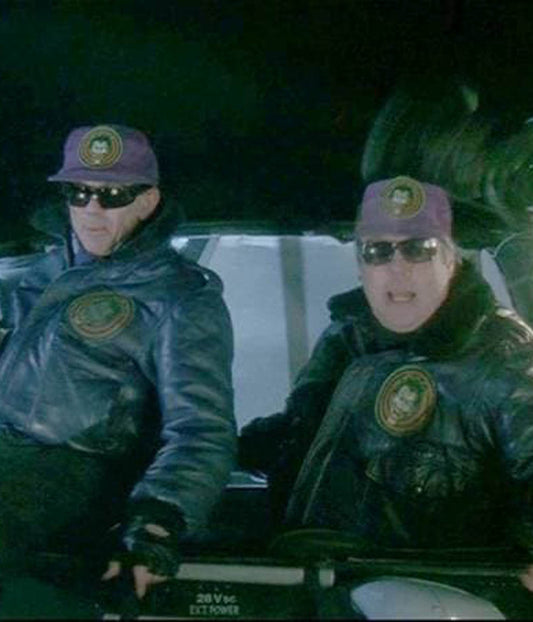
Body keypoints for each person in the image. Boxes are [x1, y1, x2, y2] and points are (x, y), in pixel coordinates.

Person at [239, 175, 533, 592]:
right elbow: (303, 437)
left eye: (419, 249)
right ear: (361, 266)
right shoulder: (347, 339)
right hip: (313, 579)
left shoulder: (506, 357)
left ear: (452, 259)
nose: (397, 268)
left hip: (433, 597)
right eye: (377, 251)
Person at [0, 124, 236, 601]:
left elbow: (201, 429)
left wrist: (158, 522)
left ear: (147, 201)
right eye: (79, 192)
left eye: (112, 195)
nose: (91, 209)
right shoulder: (42, 274)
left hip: (74, 470)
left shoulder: (181, 297)